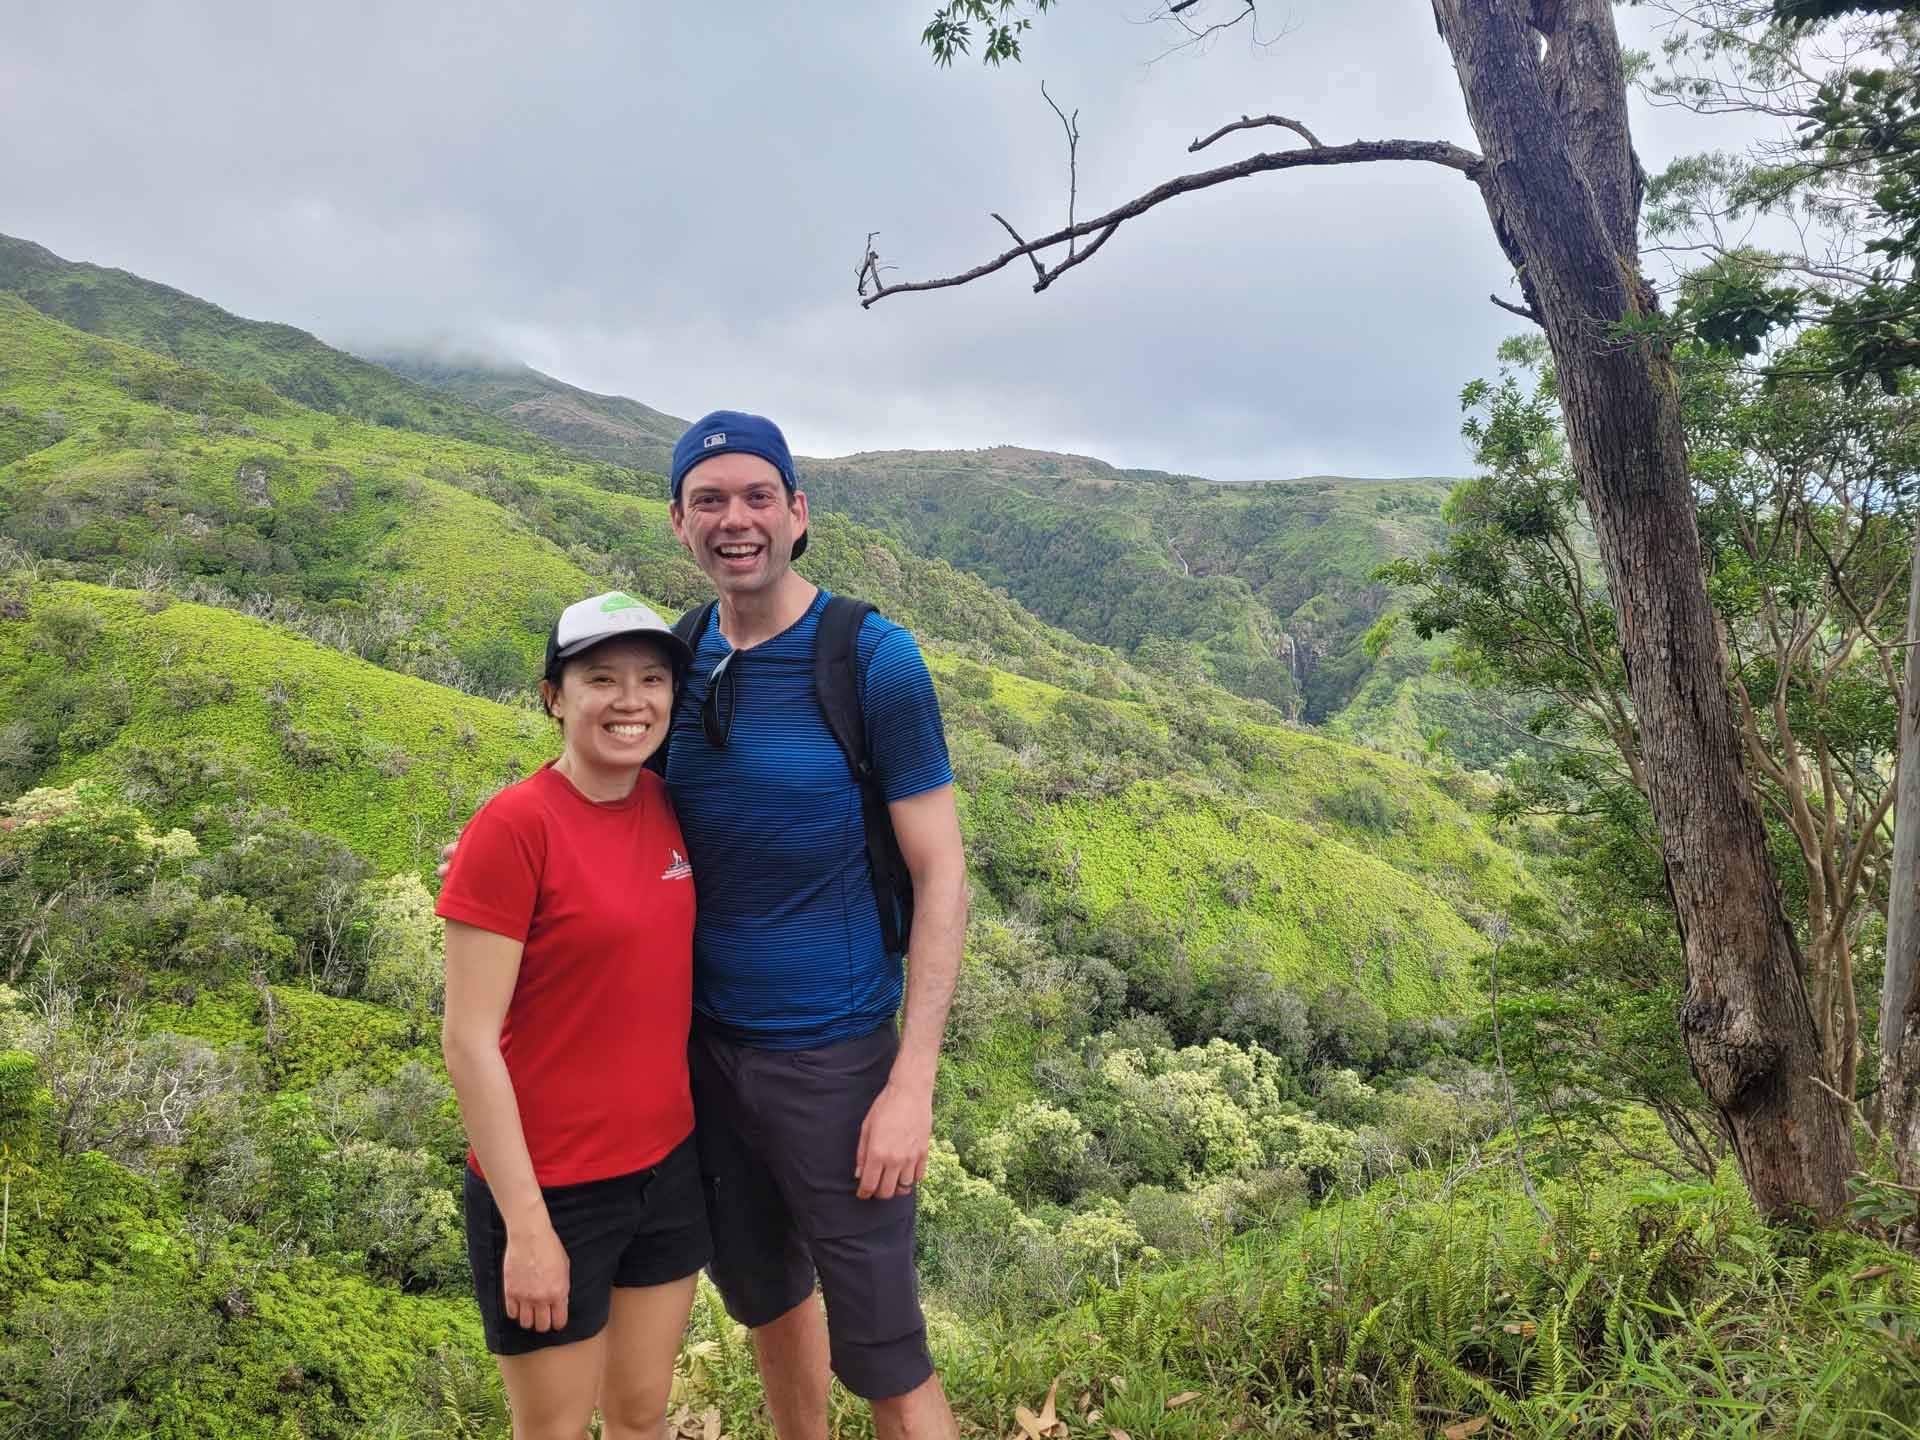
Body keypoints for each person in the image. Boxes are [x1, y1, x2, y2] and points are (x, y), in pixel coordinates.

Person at [664, 411, 967, 1440]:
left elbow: (942, 873)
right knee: (765, 1300)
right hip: (703, 1056)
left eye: (757, 497)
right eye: (710, 500)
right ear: (678, 523)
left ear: (798, 513)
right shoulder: (671, 663)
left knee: (886, 1353)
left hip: (836, 1063)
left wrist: (910, 1085)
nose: (734, 519)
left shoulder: (871, 660)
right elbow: (603, 817)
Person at [437, 592, 706, 1440]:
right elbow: (469, 1041)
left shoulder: (668, 806)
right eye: (601, 679)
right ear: (555, 695)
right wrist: (527, 1229)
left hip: (667, 1170)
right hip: (551, 1190)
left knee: (639, 1416)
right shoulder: (512, 828)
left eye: (651, 678)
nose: (631, 700)